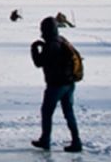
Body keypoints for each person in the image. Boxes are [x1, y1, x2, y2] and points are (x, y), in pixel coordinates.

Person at [30, 16, 82, 153]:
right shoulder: (62, 40)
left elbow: (39, 62)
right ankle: (76, 141)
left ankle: (45, 140)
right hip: (69, 84)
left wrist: (34, 49)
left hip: (56, 85)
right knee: (69, 113)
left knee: (46, 112)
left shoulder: (51, 45)